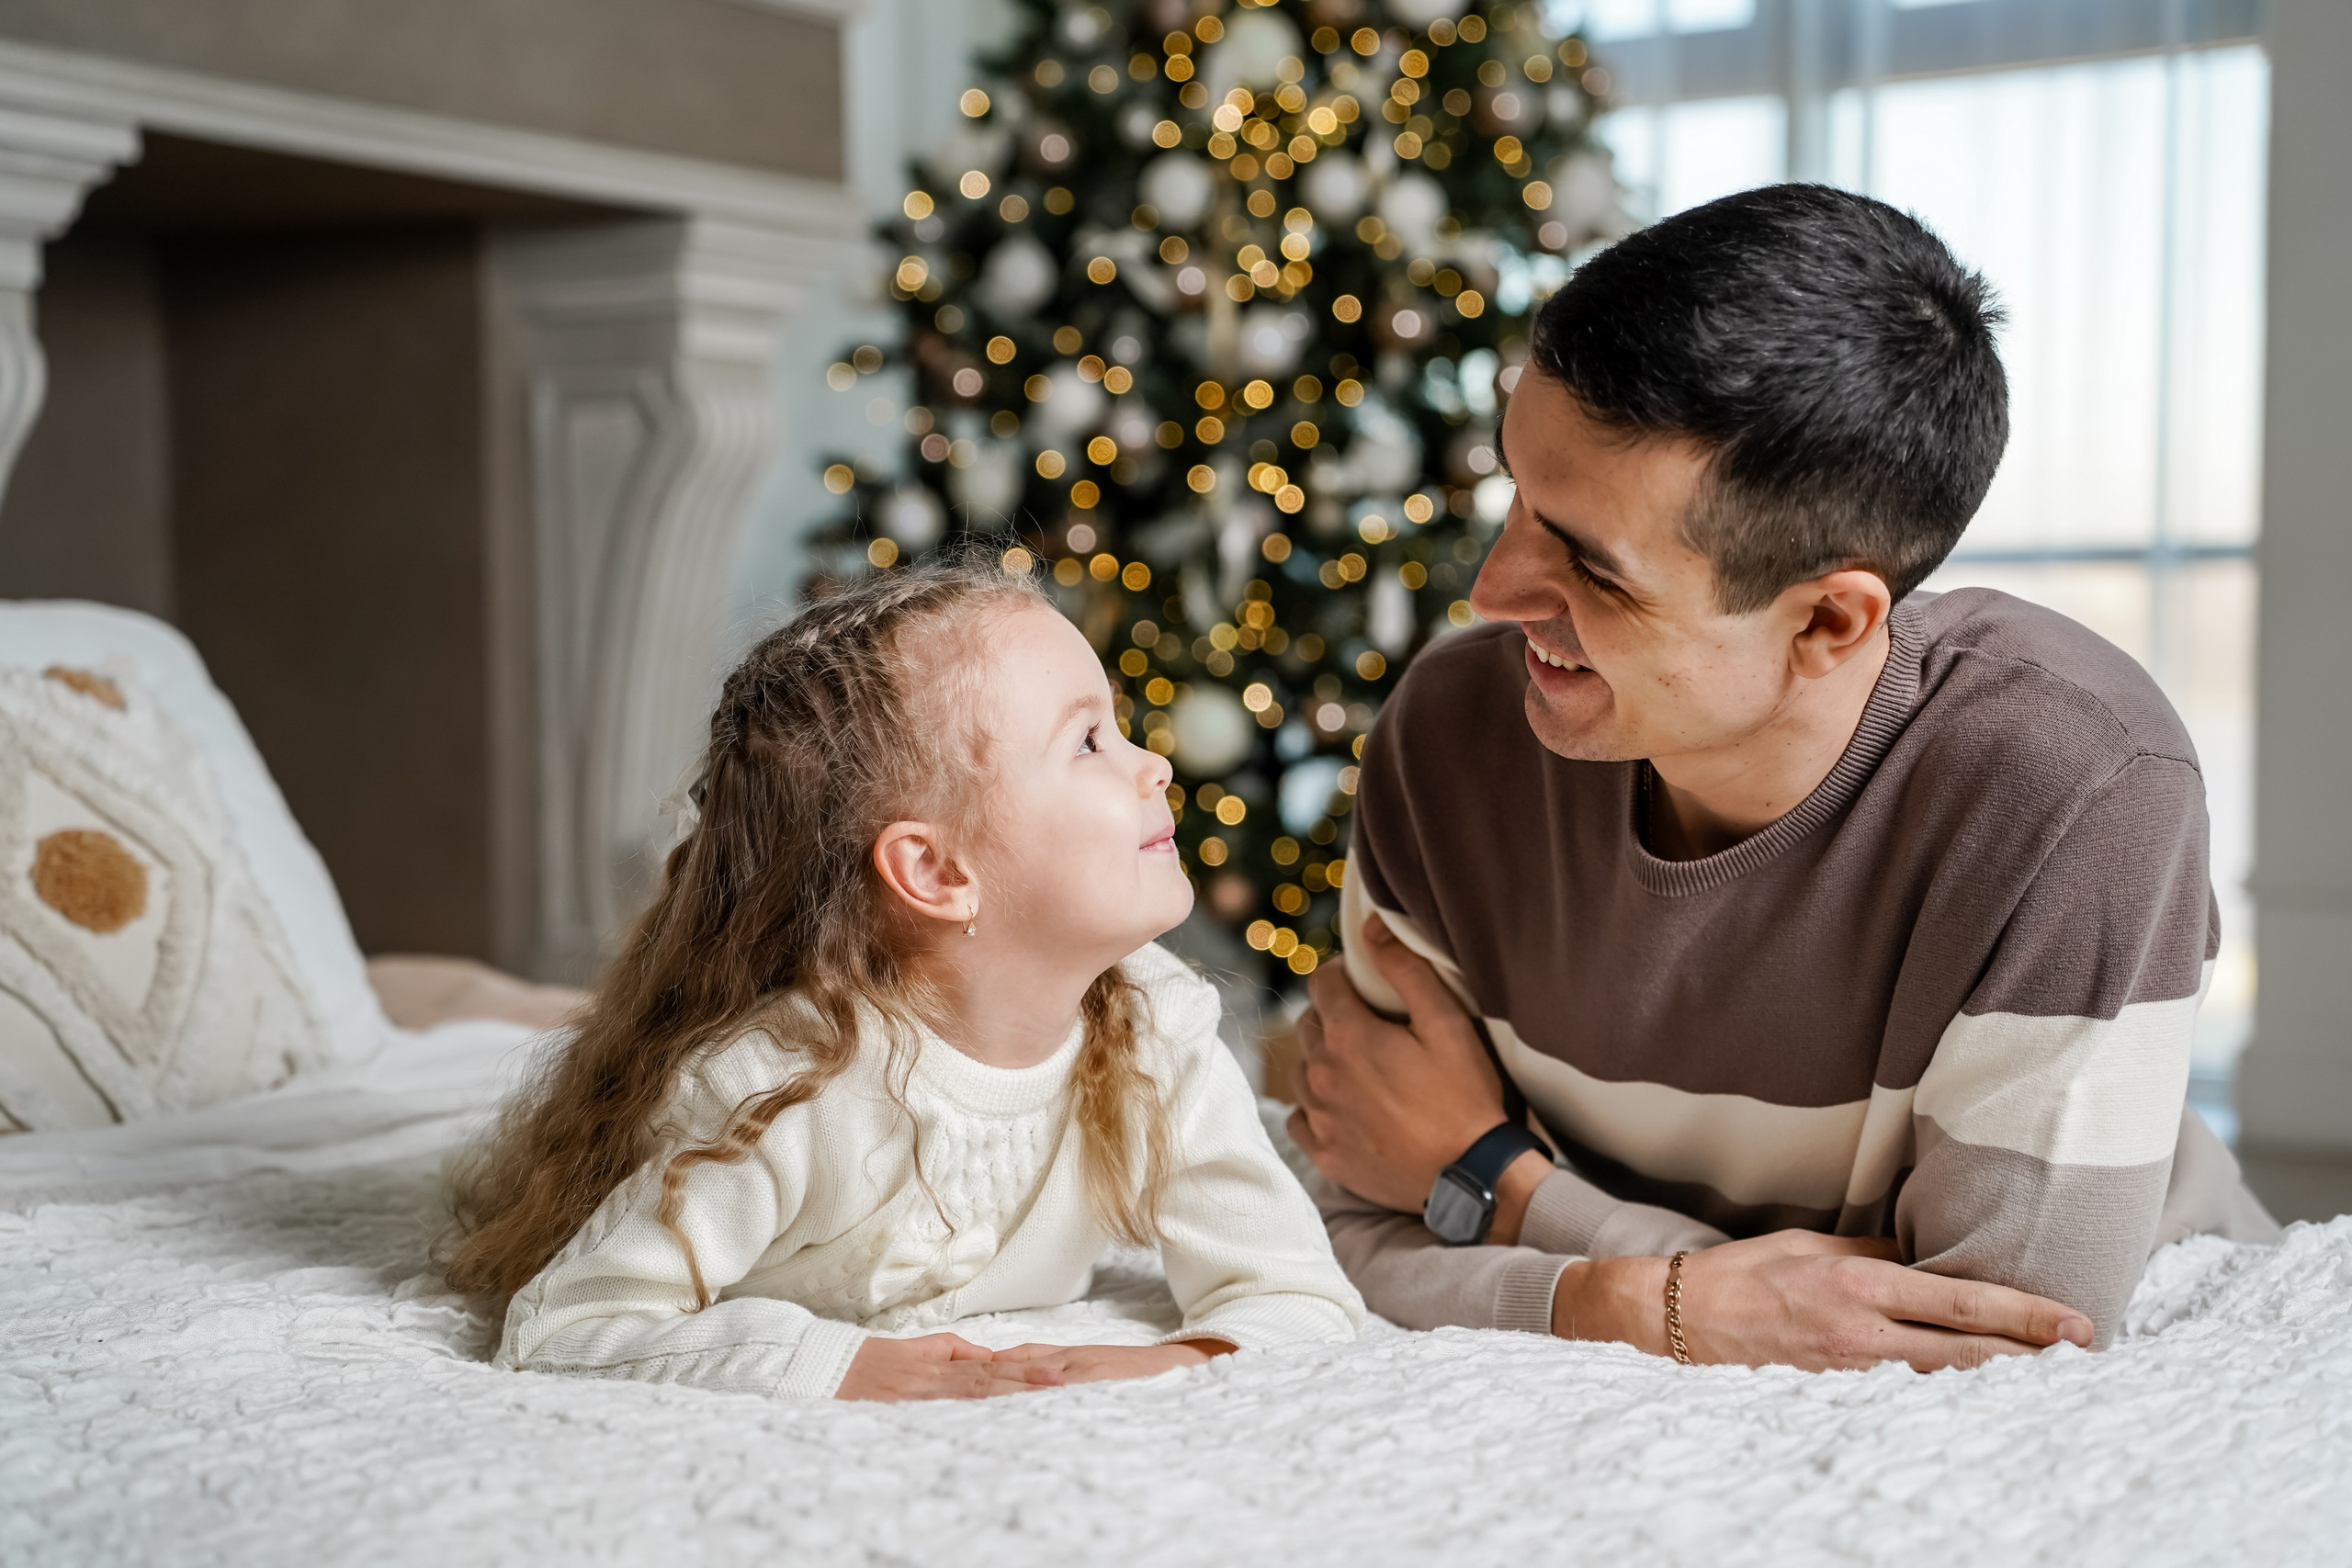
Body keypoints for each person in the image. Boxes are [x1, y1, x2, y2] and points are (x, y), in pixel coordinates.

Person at [1287, 184, 2278, 1372]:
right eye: (1517, 494)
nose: (1492, 592)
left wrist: (1500, 1183)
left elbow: (1987, 1348)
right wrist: (1649, 1295)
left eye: (1592, 568)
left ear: (1828, 622)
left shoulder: (2078, 793)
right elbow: (1344, 1209)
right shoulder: (1449, 735)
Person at [446, 559, 1362, 1402]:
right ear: (935, 872)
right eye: (1087, 741)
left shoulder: (1157, 1024)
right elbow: (569, 1323)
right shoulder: (780, 1090)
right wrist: (841, 1363)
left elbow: (1293, 1287)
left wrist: (1180, 1358)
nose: (1153, 763)